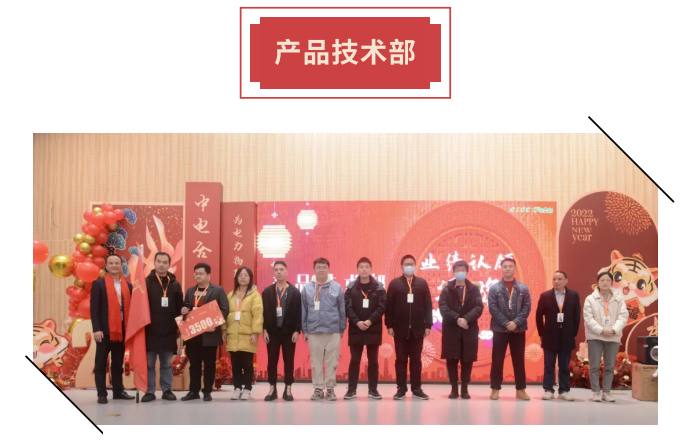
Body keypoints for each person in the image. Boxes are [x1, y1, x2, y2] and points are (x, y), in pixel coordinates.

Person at [385, 254, 433, 400]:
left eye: (411, 264)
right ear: (401, 266)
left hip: (418, 329)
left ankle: (416, 388)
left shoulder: (422, 283)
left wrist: (428, 324)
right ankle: (401, 388)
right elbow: (389, 306)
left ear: (415, 266)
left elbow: (428, 305)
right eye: (406, 264)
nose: (409, 266)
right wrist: (389, 325)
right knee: (401, 360)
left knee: (416, 360)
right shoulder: (394, 284)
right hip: (400, 329)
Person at [180, 263, 229, 402]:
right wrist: (183, 310)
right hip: (193, 334)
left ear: (208, 275)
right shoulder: (190, 291)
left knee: (209, 364)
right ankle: (193, 391)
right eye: (196, 273)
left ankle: (207, 391)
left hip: (209, 333)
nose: (198, 276)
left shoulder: (218, 290)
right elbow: (186, 307)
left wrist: (215, 324)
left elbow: (225, 309)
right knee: (194, 364)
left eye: (201, 274)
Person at [90, 254, 135, 404]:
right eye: (111, 263)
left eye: (117, 263)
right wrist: (96, 329)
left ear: (121, 266)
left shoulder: (128, 286)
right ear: (107, 266)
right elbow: (94, 309)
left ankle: (118, 391)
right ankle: (101, 393)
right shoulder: (99, 284)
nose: (114, 266)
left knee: (117, 364)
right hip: (104, 331)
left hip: (121, 331)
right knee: (100, 364)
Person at [141, 252, 184, 403]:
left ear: (169, 265)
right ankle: (149, 391)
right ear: (154, 263)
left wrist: (179, 329)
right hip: (150, 331)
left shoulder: (175, 284)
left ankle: (167, 390)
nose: (161, 265)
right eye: (159, 261)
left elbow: (179, 308)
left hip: (168, 331)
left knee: (166, 363)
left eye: (165, 262)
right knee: (149, 364)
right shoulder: (146, 282)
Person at [301, 258, 346, 401]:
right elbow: (304, 310)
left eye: (324, 267)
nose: (321, 270)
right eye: (318, 267)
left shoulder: (337, 287)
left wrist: (341, 328)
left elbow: (342, 309)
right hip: (314, 330)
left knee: (332, 361)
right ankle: (318, 389)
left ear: (328, 269)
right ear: (314, 269)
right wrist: (305, 330)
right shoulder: (307, 288)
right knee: (316, 362)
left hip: (333, 330)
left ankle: (330, 389)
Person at [487, 257, 532, 401]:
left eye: (510, 266)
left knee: (519, 361)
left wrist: (516, 322)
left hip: (518, 330)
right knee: (497, 360)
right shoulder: (494, 288)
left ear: (514, 268)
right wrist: (507, 323)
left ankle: (520, 390)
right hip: (500, 329)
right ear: (501, 268)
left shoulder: (523, 288)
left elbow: (527, 307)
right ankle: (495, 389)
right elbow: (493, 308)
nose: (507, 268)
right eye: (505, 266)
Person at [439, 260, 484, 399]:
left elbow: (478, 307)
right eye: (457, 269)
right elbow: (443, 307)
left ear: (467, 272)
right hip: (451, 330)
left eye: (462, 269)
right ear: (453, 272)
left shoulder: (474, 289)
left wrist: (466, 319)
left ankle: (465, 389)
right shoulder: (447, 289)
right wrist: (458, 318)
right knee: (451, 360)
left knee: (467, 359)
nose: (460, 272)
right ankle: (454, 389)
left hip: (469, 329)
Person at [344, 257, 387, 400]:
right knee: (354, 360)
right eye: (361, 267)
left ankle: (373, 390)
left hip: (373, 328)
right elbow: (347, 307)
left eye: (367, 267)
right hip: (356, 329)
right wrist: (357, 322)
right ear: (357, 269)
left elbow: (382, 307)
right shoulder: (351, 288)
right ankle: (351, 390)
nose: (364, 269)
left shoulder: (379, 288)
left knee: (373, 361)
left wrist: (369, 321)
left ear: (371, 269)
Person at [583, 271, 628, 402]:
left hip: (613, 336)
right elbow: (588, 318)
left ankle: (607, 392)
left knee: (610, 366)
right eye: (602, 280)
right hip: (595, 336)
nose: (605, 283)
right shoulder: (590, 299)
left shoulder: (618, 298)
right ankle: (596, 392)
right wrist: (601, 330)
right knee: (594, 366)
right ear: (597, 282)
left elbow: (623, 316)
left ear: (612, 283)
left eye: (608, 280)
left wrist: (615, 329)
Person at [536, 270, 581, 401]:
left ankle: (564, 390)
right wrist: (541, 333)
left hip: (567, 336)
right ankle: (548, 390)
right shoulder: (545, 296)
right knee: (549, 365)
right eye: (554, 279)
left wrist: (573, 333)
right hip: (549, 335)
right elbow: (538, 316)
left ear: (566, 281)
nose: (556, 281)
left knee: (564, 366)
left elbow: (577, 316)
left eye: (560, 279)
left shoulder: (573, 295)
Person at [261, 261, 301, 401]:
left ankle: (288, 388)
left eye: (281, 269)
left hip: (289, 332)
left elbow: (299, 313)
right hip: (272, 332)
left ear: (286, 271)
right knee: (272, 360)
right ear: (273, 272)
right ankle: (272, 388)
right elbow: (263, 312)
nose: (279, 272)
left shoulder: (295, 292)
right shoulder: (267, 292)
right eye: (276, 270)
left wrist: (297, 330)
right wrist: (264, 329)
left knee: (289, 360)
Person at [225, 267, 263, 401]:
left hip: (248, 335)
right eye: (240, 275)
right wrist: (224, 330)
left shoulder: (255, 295)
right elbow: (225, 314)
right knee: (235, 364)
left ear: (250, 278)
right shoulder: (231, 295)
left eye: (246, 275)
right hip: (233, 334)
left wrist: (255, 332)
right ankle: (237, 388)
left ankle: (247, 389)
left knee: (247, 364)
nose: (242, 277)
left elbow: (257, 315)